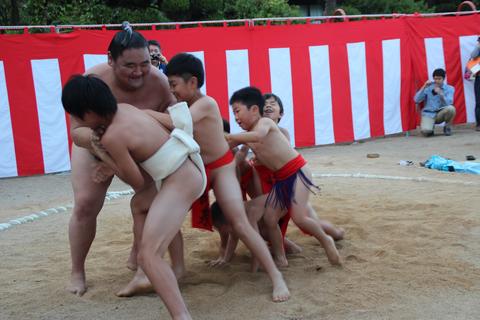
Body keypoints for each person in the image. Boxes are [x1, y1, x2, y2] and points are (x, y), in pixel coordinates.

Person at [145, 53, 290, 302]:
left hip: (222, 168)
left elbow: (175, 123)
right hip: (198, 169)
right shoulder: (184, 104)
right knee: (168, 215)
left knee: (241, 223)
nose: (172, 90)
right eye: (169, 85)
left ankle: (276, 276)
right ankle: (170, 269)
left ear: (192, 83)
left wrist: (143, 114)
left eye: (174, 84)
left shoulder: (206, 103)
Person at [62, 74, 204, 320]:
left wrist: (106, 160)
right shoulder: (126, 108)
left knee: (149, 255)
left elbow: (137, 181)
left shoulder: (112, 136)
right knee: (139, 205)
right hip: (185, 168)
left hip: (180, 180)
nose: (78, 122)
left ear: (87, 113)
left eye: (77, 117)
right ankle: (162, 270)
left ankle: (181, 315)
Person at [67, 22, 177, 296]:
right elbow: (77, 131)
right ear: (110, 60)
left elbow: (176, 119)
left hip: (137, 150)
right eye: (129, 65)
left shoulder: (159, 82)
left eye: (144, 63)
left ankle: (139, 254)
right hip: (94, 145)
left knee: (149, 200)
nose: (139, 71)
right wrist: (101, 147)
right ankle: (77, 270)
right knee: (84, 204)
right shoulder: (91, 80)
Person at [227, 87, 342, 269]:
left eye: (237, 111)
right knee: (270, 218)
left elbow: (258, 136)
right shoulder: (245, 137)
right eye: (233, 113)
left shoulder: (264, 123)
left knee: (300, 218)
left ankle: (326, 240)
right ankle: (281, 257)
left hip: (297, 172)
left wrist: (233, 137)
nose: (236, 117)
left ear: (254, 110)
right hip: (281, 180)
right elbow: (237, 152)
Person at [414, 68, 456, 137]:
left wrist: (441, 94)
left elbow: (449, 103)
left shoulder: (450, 88)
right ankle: (430, 127)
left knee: (451, 109)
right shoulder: (429, 87)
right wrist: (424, 86)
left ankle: (447, 126)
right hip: (429, 114)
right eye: (435, 79)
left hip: (441, 114)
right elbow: (416, 100)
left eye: (439, 79)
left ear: (443, 79)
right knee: (426, 132)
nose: (437, 81)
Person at [469, 37, 480, 131]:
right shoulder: (478, 50)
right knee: (479, 101)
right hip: (479, 78)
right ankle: (479, 124)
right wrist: (478, 46)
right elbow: (473, 55)